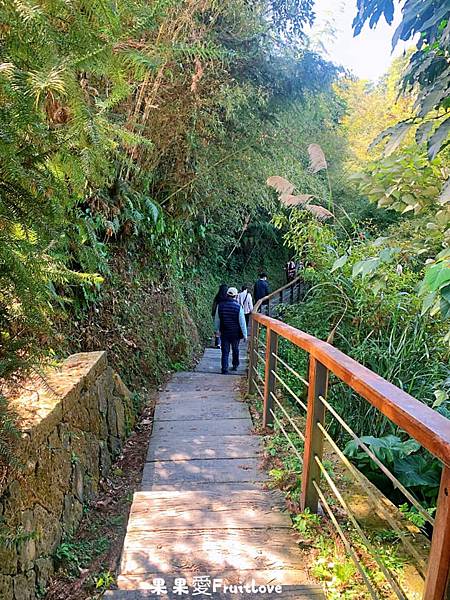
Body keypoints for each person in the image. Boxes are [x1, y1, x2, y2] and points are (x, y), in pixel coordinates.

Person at [214, 287, 247, 374]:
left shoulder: (220, 306)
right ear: (236, 296)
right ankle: (235, 365)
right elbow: (242, 322)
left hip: (224, 332)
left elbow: (217, 320)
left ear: (227, 294)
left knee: (225, 351)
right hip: (235, 333)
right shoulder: (238, 307)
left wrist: (217, 330)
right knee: (235, 349)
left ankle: (224, 369)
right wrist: (245, 335)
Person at [211, 284, 228, 349]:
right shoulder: (227, 298)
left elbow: (214, 306)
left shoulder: (217, 297)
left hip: (216, 314)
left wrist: (213, 313)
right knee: (223, 328)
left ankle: (218, 343)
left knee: (217, 328)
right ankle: (222, 342)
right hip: (224, 314)